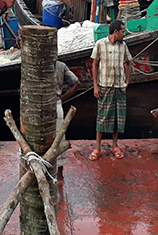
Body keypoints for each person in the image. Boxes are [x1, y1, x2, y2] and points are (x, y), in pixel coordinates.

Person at [89, 20, 132, 161]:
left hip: (119, 86)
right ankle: (97, 147)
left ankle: (115, 145)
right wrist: (95, 85)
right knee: (102, 117)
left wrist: (127, 80)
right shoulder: (100, 44)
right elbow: (94, 65)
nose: (124, 34)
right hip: (105, 85)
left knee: (117, 118)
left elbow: (129, 62)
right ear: (115, 32)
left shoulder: (123, 45)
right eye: (122, 31)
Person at [55, 61, 80, 180]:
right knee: (59, 138)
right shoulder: (61, 66)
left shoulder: (35, 65)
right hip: (56, 104)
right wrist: (62, 98)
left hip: (38, 105)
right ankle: (59, 175)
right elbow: (76, 83)